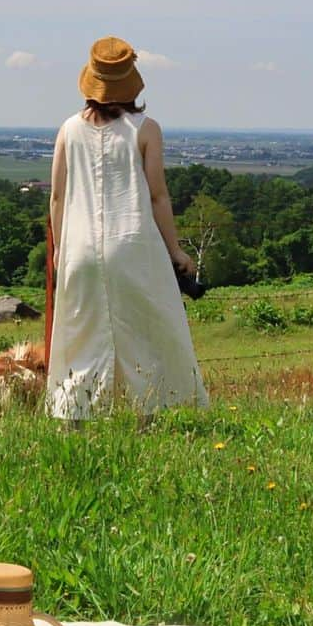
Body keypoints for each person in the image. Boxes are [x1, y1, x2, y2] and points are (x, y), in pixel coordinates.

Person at [46, 36, 208, 421]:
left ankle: (74, 416)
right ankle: (148, 414)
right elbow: (158, 198)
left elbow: (56, 197)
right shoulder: (146, 129)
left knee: (80, 334)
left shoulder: (68, 129)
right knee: (147, 333)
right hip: (134, 246)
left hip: (79, 250)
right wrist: (177, 252)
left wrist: (59, 252)